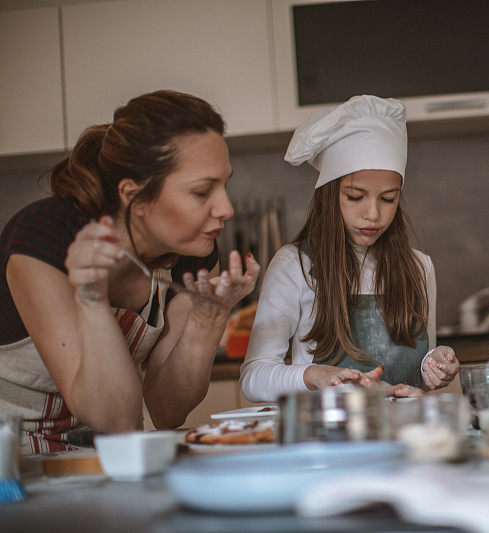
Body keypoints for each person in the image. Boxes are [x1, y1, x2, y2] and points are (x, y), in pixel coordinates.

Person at [0, 90, 259, 454]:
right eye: (202, 192)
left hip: (112, 455)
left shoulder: (190, 252)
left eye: (224, 184)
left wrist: (208, 317)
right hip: (14, 462)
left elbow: (167, 411)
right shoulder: (45, 239)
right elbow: (111, 417)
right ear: (133, 195)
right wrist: (91, 298)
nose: (226, 208)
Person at [240, 95, 458, 402]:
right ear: (330, 195)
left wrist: (436, 363)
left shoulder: (419, 267)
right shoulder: (294, 265)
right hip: (329, 441)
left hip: (409, 440)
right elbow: (253, 376)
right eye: (355, 197)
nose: (373, 214)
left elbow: (420, 363)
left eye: (388, 198)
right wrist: (316, 375)